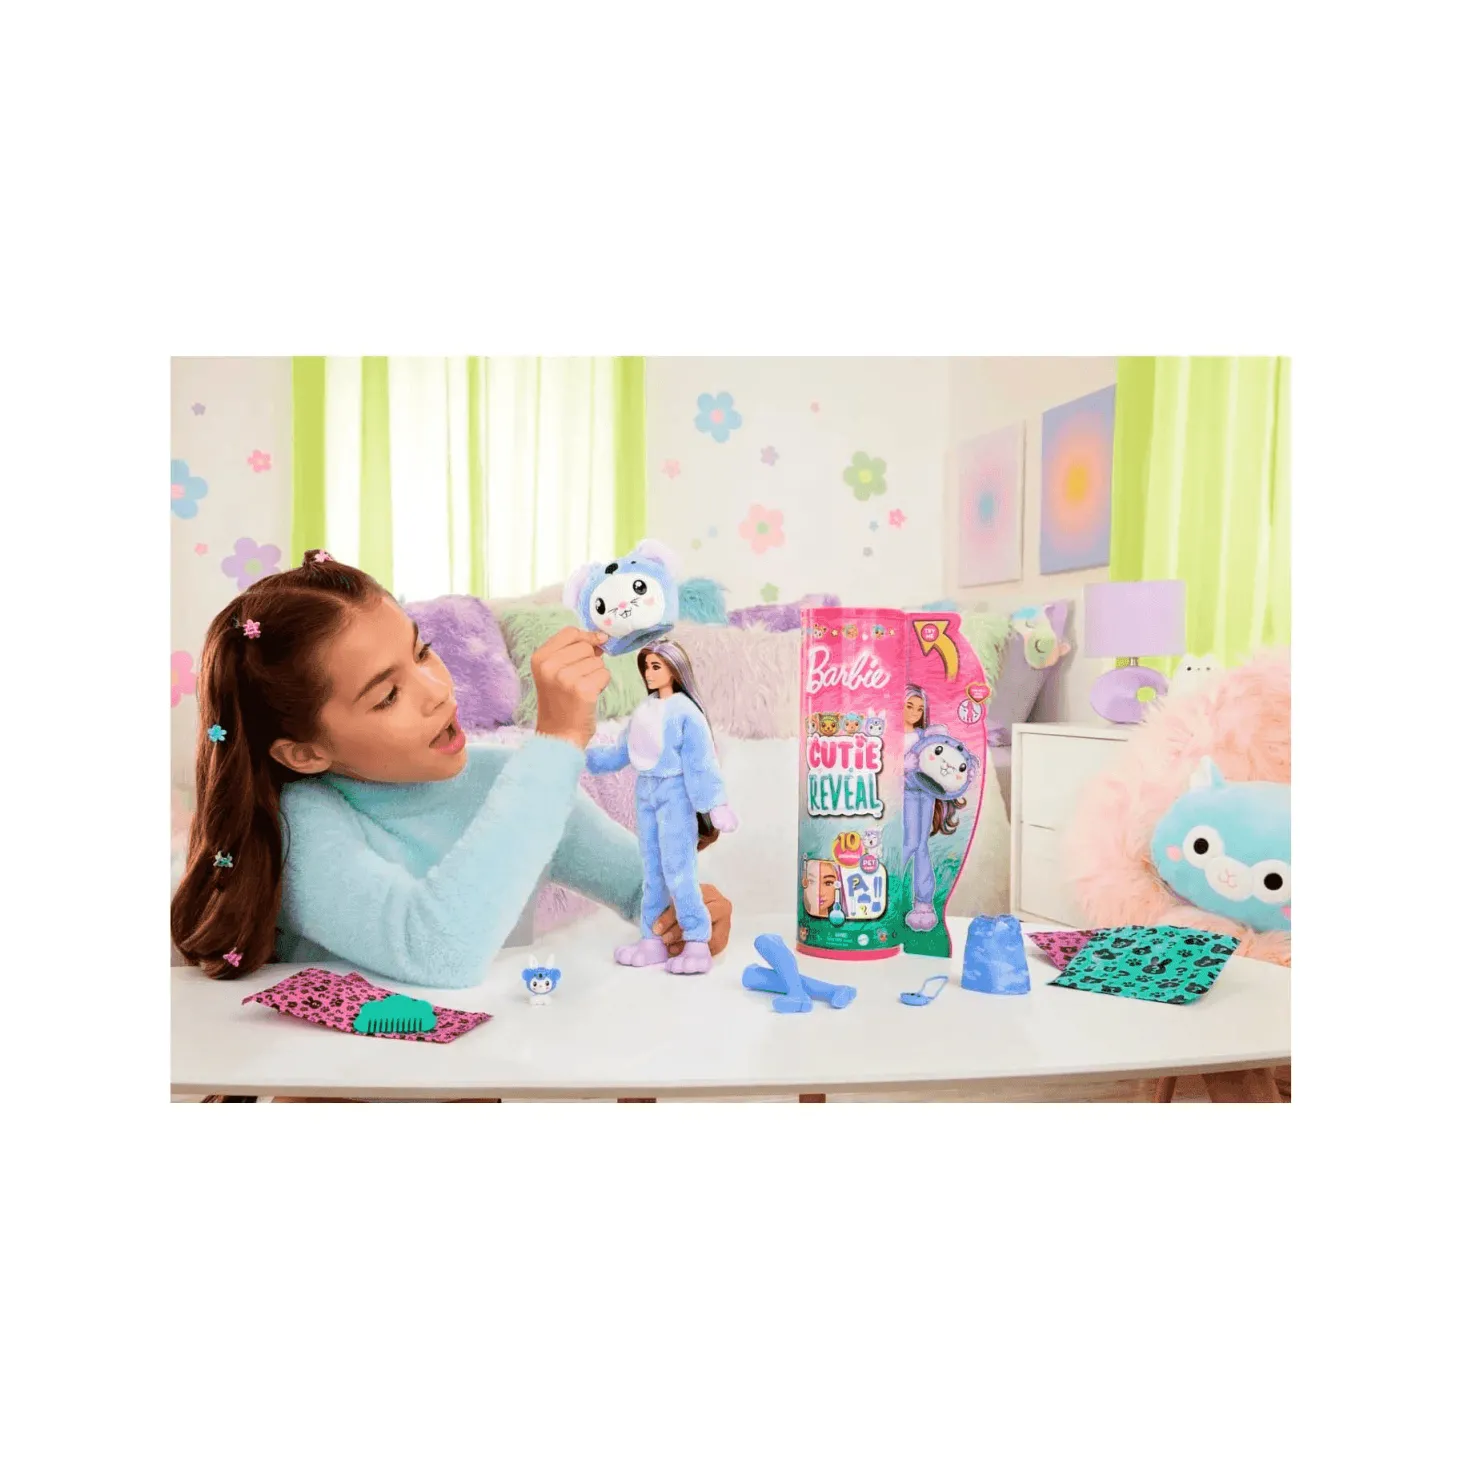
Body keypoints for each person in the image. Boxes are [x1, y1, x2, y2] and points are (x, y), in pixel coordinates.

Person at [170, 553, 731, 987]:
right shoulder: (300, 826)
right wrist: (558, 741)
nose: (438, 690)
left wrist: (690, 913)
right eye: (387, 696)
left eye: (422, 652)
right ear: (304, 753)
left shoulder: (505, 779)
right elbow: (440, 951)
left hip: (472, 1074)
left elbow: (646, 887)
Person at [583, 641, 738, 974]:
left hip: (675, 793)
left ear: (674, 669)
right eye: (646, 667)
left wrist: (715, 804)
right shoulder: (646, 708)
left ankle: (696, 941)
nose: (649, 673)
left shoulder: (686, 712)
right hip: (647, 793)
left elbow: (700, 763)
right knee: (652, 872)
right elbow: (622, 750)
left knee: (679, 871)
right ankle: (651, 940)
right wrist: (585, 757)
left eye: (656, 666)